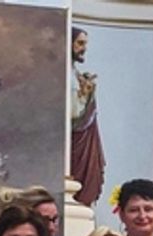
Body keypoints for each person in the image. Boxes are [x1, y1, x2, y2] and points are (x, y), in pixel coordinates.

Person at [70, 27, 105, 206]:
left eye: (85, 44)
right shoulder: (66, 74)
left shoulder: (75, 73)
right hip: (75, 138)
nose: (84, 48)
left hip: (83, 135)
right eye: (80, 43)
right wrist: (86, 95)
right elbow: (73, 114)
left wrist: (87, 91)